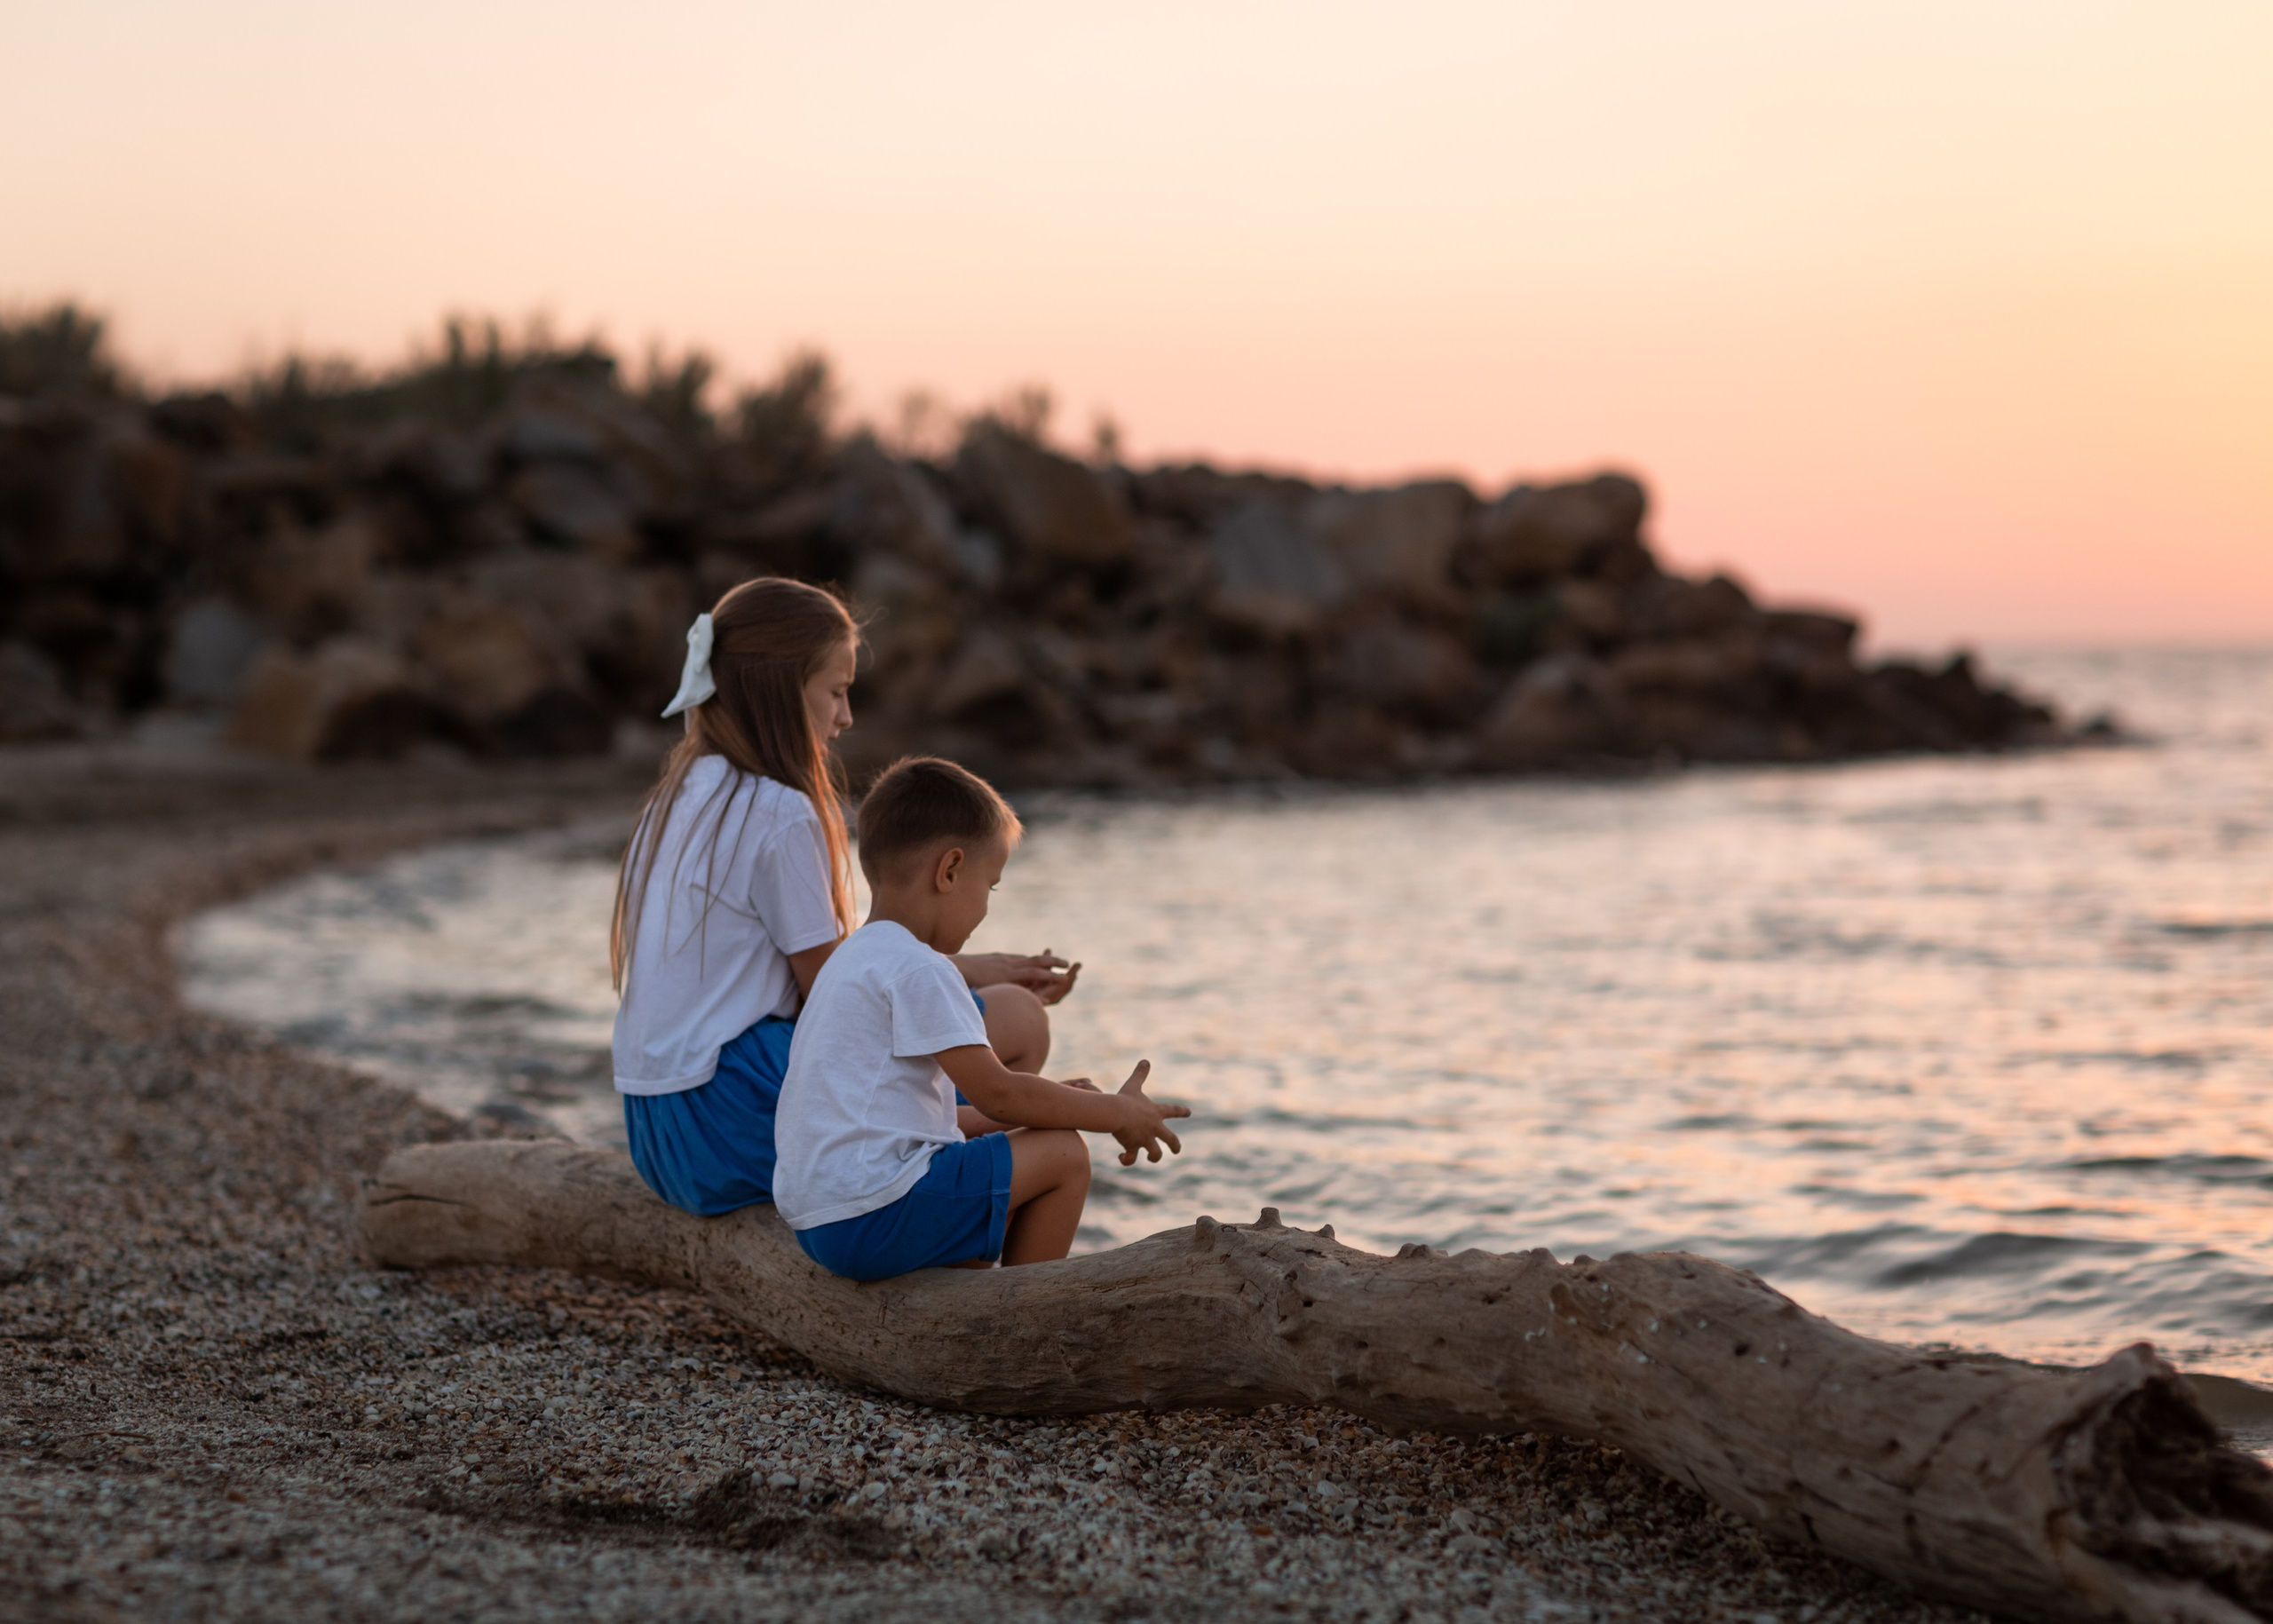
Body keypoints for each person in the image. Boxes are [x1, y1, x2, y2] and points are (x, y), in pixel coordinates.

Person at [608, 578, 1077, 1216]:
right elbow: (835, 988)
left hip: (659, 1135)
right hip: (729, 1120)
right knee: (1020, 1021)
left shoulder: (679, 794)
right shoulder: (778, 811)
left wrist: (975, 967)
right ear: (779, 690)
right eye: (836, 690)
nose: (846, 716)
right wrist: (968, 972)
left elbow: (847, 975)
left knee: (985, 1020)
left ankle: (946, 1184)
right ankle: (941, 1223)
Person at [774, 757, 1188, 1280]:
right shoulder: (922, 969)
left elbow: (927, 1122)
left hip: (824, 1224)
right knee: (1063, 1154)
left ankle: (973, 1280)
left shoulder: (851, 961)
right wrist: (1113, 1114)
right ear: (949, 871)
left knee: (1020, 1146)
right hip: (874, 1213)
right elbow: (999, 1093)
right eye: (989, 886)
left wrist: (1064, 1103)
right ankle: (1024, 1320)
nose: (986, 908)